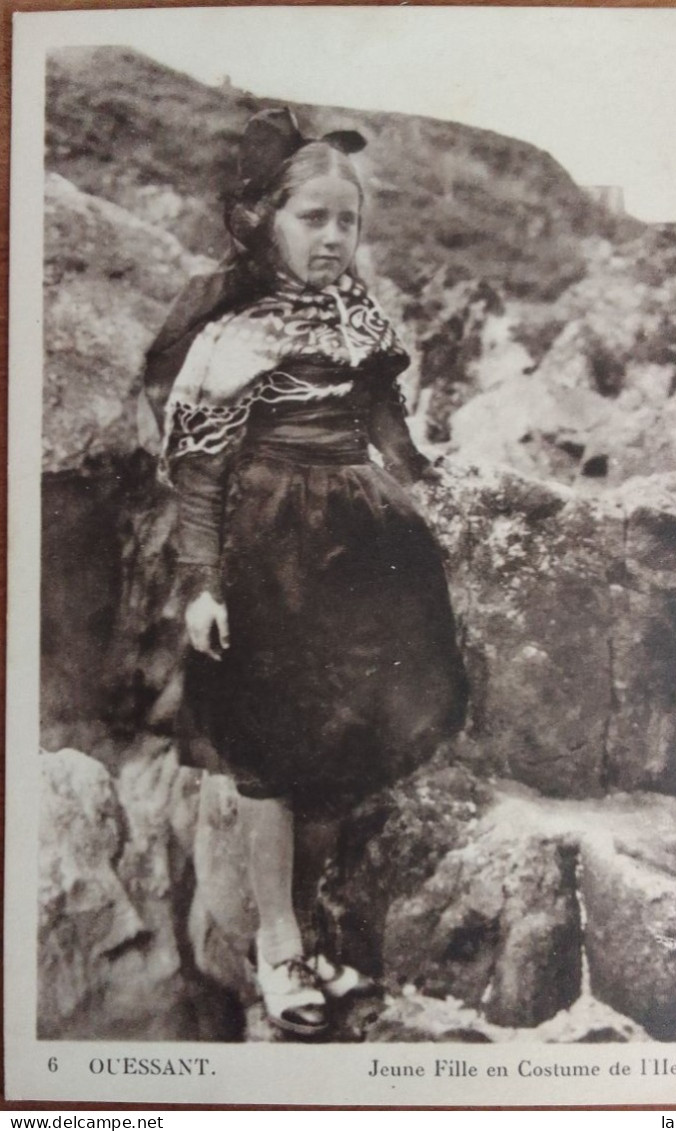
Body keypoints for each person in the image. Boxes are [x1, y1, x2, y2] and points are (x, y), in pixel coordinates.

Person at [143, 108, 468, 1039]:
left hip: (361, 553)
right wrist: (203, 583)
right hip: (266, 547)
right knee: (270, 754)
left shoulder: (358, 315)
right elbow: (199, 467)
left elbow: (389, 430)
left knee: (343, 740)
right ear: (263, 222)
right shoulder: (233, 332)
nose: (332, 237)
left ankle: (312, 922)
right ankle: (279, 943)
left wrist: (430, 483)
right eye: (311, 218)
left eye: (346, 221)